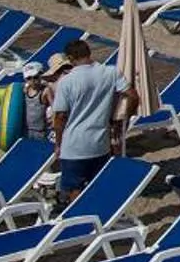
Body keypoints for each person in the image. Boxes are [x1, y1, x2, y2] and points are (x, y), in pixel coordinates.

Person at [47, 40, 124, 203]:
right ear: (89, 53)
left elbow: (60, 116)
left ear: (70, 58)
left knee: (75, 190)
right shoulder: (110, 72)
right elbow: (131, 95)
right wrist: (117, 119)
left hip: (74, 146)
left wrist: (58, 144)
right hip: (100, 144)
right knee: (98, 186)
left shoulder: (66, 82)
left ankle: (81, 220)